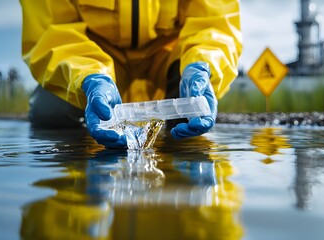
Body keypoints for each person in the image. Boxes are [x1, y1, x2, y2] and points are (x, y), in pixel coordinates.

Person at [20, 0, 242, 148]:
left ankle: (182, 179)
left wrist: (200, 64)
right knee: (51, 110)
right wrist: (88, 76)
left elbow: (214, 22)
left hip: (170, 54)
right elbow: (51, 29)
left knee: (190, 114)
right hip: (93, 54)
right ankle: (79, 185)